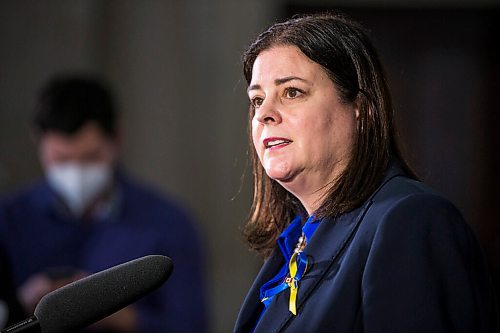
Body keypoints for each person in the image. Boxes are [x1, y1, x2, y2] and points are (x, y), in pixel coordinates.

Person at [233, 13, 497, 332]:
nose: (264, 115)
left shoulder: (411, 220)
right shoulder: (294, 242)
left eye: (292, 92)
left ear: (360, 108)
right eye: (257, 100)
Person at [0, 74, 208, 332]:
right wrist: (21, 302)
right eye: (62, 160)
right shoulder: (9, 219)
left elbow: (191, 325)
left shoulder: (168, 223)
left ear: (117, 139)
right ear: (39, 141)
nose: (75, 173)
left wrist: (107, 310)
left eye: (90, 158)